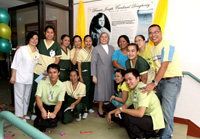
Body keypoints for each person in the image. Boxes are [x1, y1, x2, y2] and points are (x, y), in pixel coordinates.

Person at [142, 24, 182, 139]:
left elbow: (164, 66)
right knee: (160, 109)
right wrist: (156, 83)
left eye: (156, 32)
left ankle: (167, 136)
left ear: (161, 33)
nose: (153, 35)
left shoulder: (167, 45)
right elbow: (156, 68)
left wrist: (154, 83)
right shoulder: (153, 48)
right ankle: (163, 132)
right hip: (161, 81)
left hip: (172, 81)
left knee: (167, 110)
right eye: (150, 33)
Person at [107, 69, 165, 139]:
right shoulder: (133, 90)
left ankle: (142, 136)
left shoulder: (143, 90)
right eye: (126, 80)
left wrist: (121, 110)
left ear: (138, 78)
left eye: (130, 79)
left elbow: (140, 113)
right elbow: (125, 105)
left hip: (153, 121)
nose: (128, 82)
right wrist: (110, 113)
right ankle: (145, 133)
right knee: (120, 115)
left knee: (125, 116)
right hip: (145, 117)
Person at [30, 25, 61, 120]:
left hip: (50, 73)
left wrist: (49, 71)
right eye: (48, 32)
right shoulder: (39, 43)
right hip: (38, 72)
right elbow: (31, 48)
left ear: (54, 34)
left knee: (47, 93)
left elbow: (57, 60)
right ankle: (34, 111)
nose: (50, 34)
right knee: (35, 92)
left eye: (52, 32)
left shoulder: (56, 45)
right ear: (44, 33)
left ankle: (46, 111)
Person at [10, 32, 39, 122]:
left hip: (29, 78)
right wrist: (13, 77)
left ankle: (24, 113)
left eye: (36, 39)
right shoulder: (22, 49)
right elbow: (15, 63)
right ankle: (19, 116)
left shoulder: (37, 51)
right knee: (19, 97)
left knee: (27, 97)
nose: (34, 40)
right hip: (19, 77)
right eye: (32, 38)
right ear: (29, 39)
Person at [34, 64, 65, 131]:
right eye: (50, 72)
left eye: (54, 72)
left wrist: (54, 113)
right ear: (47, 73)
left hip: (53, 106)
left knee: (56, 118)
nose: (52, 75)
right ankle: (43, 120)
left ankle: (44, 121)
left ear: (58, 73)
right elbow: (38, 97)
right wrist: (42, 110)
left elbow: (59, 102)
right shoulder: (42, 82)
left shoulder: (62, 86)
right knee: (38, 122)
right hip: (43, 105)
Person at [91, 32, 115, 118]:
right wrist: (94, 75)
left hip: (110, 71)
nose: (104, 38)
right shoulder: (96, 49)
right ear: (99, 38)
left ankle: (109, 108)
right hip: (99, 72)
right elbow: (93, 63)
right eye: (102, 37)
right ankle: (100, 109)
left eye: (106, 37)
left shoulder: (112, 48)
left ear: (108, 39)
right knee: (100, 91)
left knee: (109, 89)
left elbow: (114, 61)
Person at [77, 35, 95, 119]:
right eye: (86, 41)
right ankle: (85, 110)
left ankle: (89, 106)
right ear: (84, 42)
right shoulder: (81, 51)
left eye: (90, 41)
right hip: (85, 74)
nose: (88, 43)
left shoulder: (94, 49)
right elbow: (79, 65)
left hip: (92, 73)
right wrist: (80, 76)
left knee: (91, 90)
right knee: (86, 92)